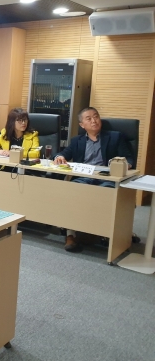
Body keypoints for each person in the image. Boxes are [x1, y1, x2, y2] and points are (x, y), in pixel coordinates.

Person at [54, 107, 134, 252]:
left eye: (96, 117)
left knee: (105, 196)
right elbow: (63, 153)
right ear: (82, 125)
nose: (94, 120)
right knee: (71, 194)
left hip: (107, 178)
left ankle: (106, 233)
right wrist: (59, 157)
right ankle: (70, 234)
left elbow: (129, 158)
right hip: (84, 178)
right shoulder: (77, 141)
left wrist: (125, 164)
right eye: (89, 118)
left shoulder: (115, 137)